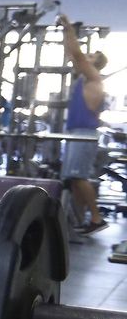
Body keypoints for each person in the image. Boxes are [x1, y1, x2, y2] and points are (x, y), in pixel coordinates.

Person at [60, 13, 110, 234]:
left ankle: (96, 218)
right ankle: (80, 220)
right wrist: (65, 33)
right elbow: (72, 53)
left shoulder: (94, 78)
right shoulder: (85, 79)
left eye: (89, 56)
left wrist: (69, 27)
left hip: (83, 133)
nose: (83, 58)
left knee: (79, 177)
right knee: (73, 179)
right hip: (76, 133)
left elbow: (76, 54)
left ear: (94, 64)